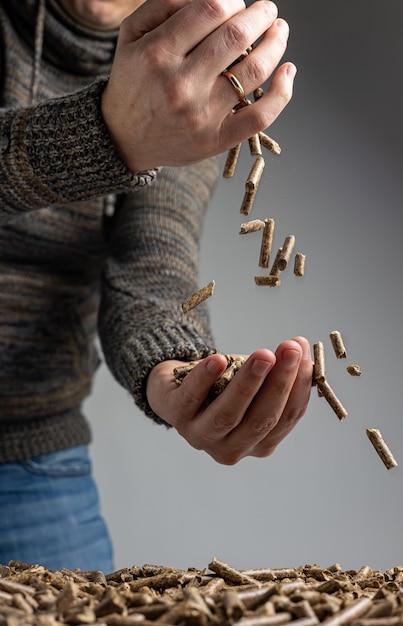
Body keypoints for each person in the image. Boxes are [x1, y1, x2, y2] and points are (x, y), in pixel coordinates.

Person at [0, 0, 313, 573]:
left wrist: (178, 370)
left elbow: (150, 268)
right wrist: (108, 132)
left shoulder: (196, 62)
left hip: (34, 461)